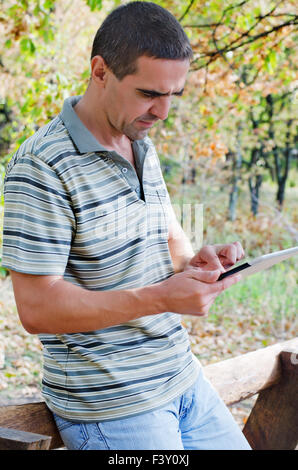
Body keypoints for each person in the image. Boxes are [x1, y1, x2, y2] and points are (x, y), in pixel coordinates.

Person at [1, 2, 251, 450]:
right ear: (100, 71)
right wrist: (160, 298)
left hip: (181, 375)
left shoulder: (141, 143)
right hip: (113, 403)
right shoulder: (41, 166)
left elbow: (169, 243)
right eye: (149, 93)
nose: (163, 111)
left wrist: (198, 263)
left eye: (174, 94)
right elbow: (36, 309)